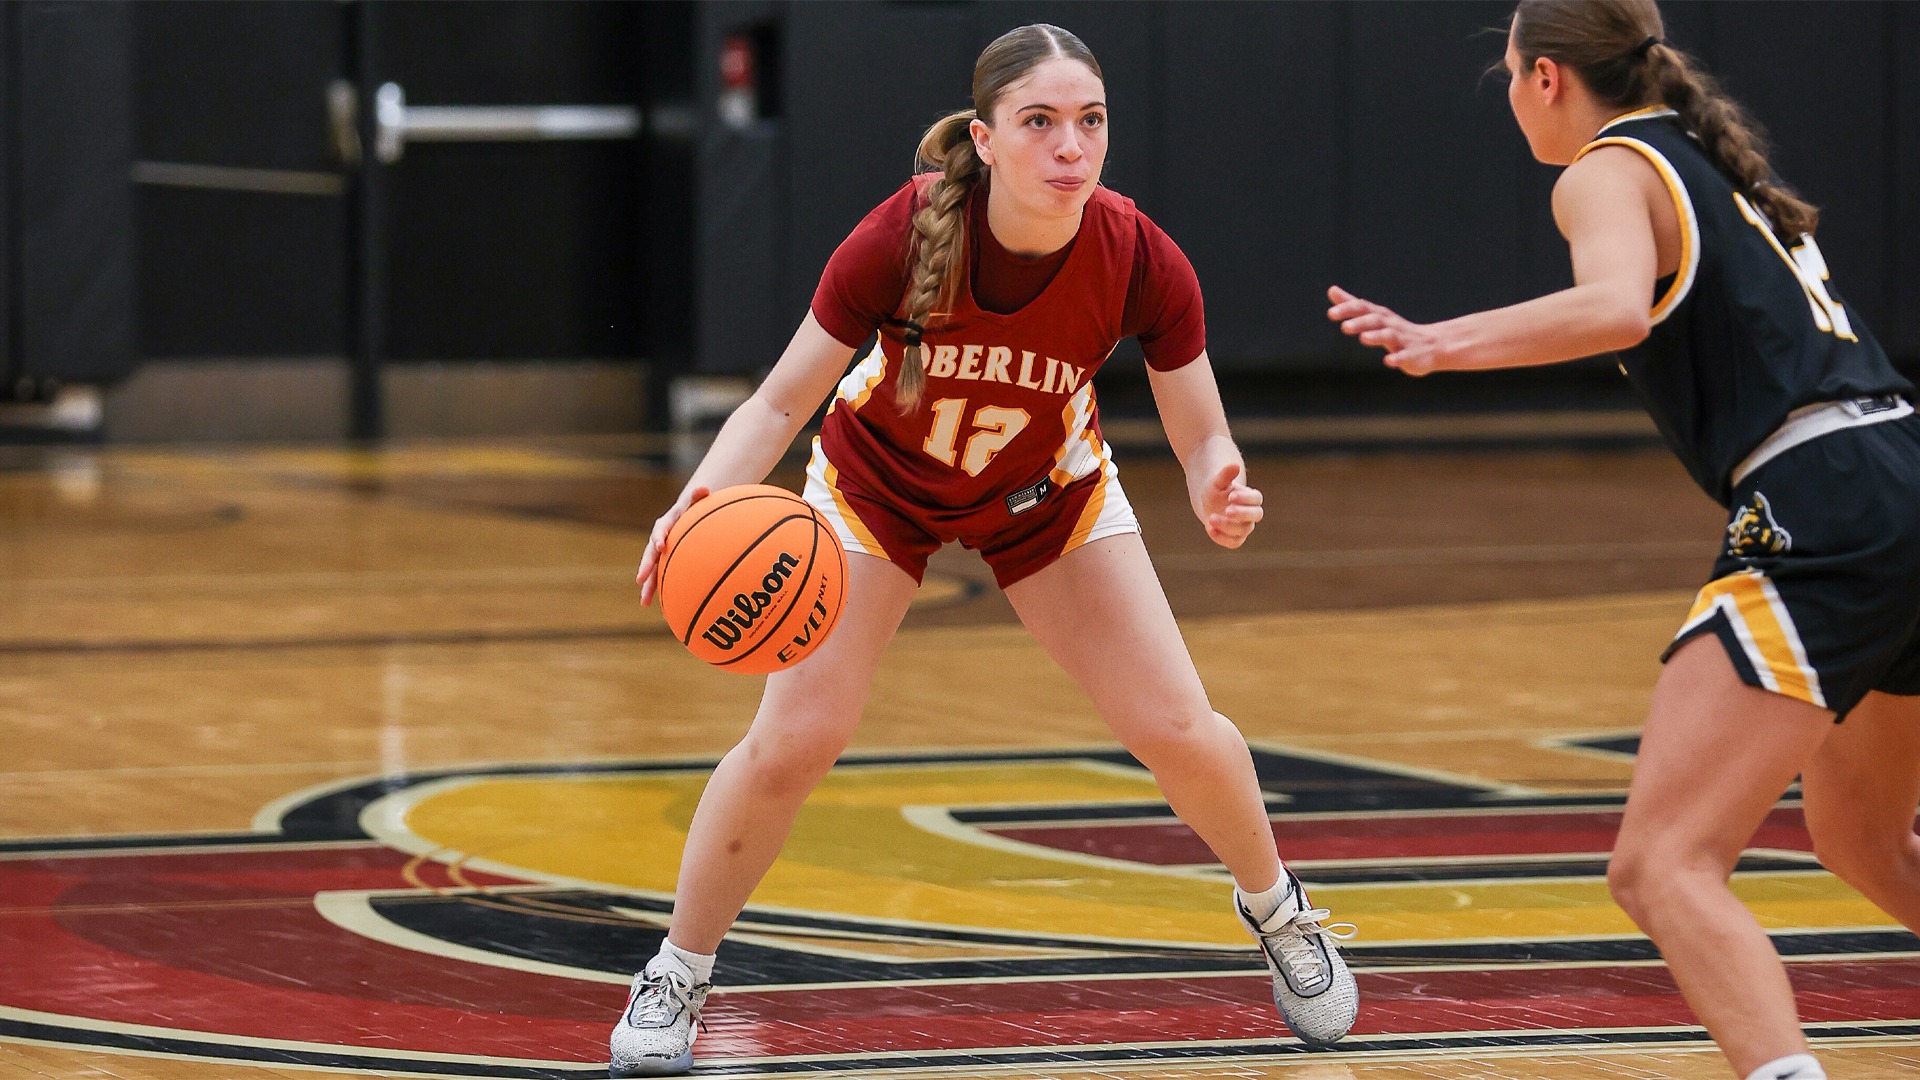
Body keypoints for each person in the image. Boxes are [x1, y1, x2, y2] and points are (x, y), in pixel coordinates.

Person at [610, 23, 1359, 1078]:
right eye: (1042, 123)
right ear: (987, 138)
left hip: (1044, 495)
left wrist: (1217, 484)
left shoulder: (1140, 255)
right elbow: (782, 397)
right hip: (879, 492)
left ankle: (1282, 915)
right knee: (795, 742)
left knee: (1179, 724)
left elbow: (1202, 431)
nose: (1071, 147)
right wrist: (696, 502)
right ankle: (677, 972)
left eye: (1090, 122)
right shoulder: (901, 237)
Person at [1327, 3, 1920, 1079]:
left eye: (1506, 75)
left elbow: (1614, 310)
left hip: (1824, 497)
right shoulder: (1704, 154)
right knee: (1863, 838)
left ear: (1546, 76)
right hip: (1901, 469)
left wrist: (1437, 341)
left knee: (1661, 866)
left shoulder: (1607, 165)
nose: (1508, 97)